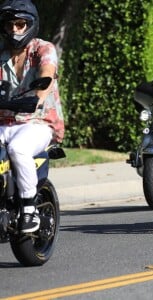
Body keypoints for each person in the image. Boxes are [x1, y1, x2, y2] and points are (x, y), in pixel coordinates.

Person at [0, 0, 64, 233]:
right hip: (3, 122)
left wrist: (37, 96)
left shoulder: (43, 49)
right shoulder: (1, 52)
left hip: (37, 122)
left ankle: (29, 210)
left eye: (20, 24)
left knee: (18, 148)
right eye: (10, 25)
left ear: (31, 24)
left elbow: (47, 73)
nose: (14, 29)